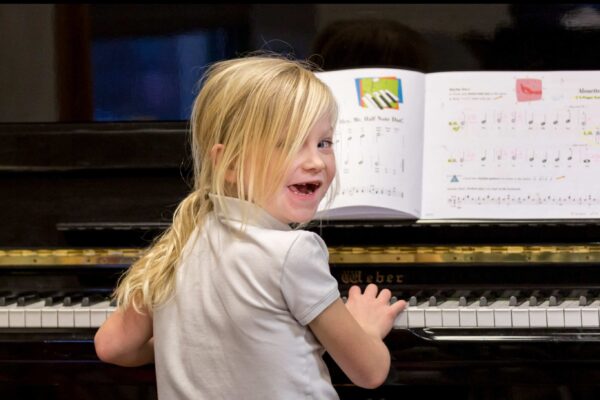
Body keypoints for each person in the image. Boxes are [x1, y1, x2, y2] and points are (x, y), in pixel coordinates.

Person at [94, 54, 406, 399]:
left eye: (324, 143)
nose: (316, 161)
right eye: (288, 144)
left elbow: (112, 346)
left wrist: (198, 344)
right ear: (229, 163)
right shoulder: (294, 251)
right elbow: (370, 372)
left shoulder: (180, 243)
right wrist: (366, 327)